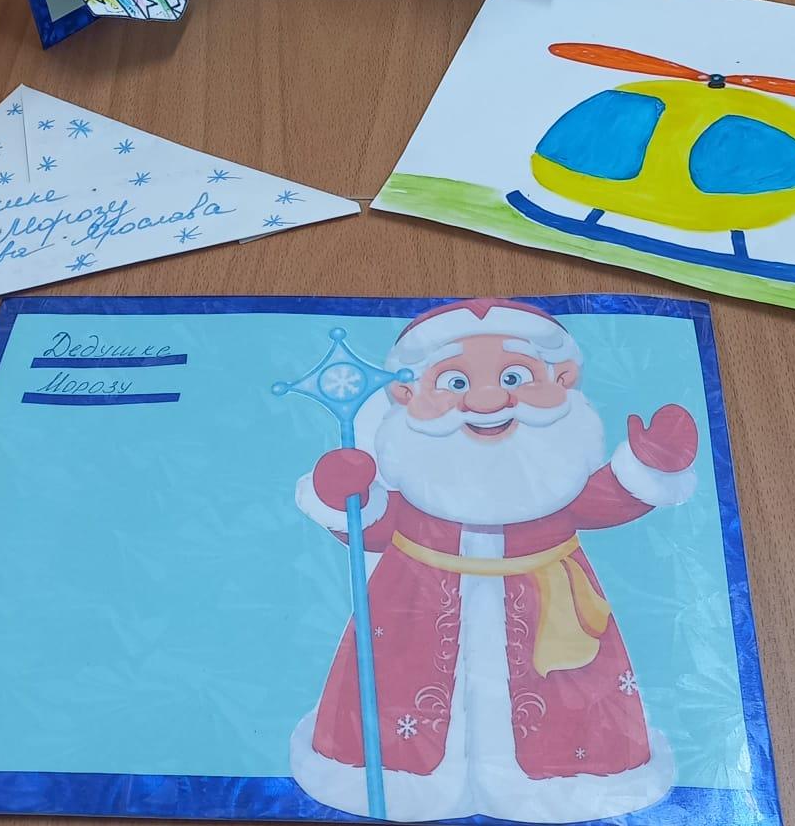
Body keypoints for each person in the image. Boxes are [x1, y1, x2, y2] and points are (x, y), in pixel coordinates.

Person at [290, 298, 699, 822]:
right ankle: (396, 779)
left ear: (563, 379)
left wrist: (652, 463)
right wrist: (344, 492)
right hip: (412, 612)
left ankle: (570, 784)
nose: (487, 400)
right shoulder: (416, 487)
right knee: (398, 700)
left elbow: (610, 498)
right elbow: (370, 527)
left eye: (513, 376)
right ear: (406, 394)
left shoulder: (557, 485)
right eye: (455, 382)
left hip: (550, 615)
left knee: (566, 705)